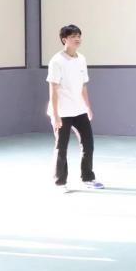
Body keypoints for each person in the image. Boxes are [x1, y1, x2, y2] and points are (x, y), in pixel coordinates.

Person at [47, 24, 103, 192]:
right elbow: (53, 89)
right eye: (73, 36)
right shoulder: (56, 61)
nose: (77, 39)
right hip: (62, 112)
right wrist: (55, 115)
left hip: (79, 110)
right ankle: (60, 182)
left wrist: (88, 107)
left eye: (79, 36)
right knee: (61, 148)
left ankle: (88, 177)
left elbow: (83, 86)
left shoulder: (82, 59)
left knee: (88, 144)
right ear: (64, 39)